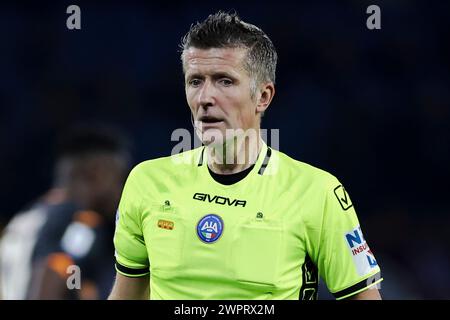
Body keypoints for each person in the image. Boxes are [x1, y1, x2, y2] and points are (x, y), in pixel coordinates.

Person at [109, 11, 383, 300]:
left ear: (263, 97)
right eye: (195, 81)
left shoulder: (317, 192)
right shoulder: (146, 181)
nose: (205, 98)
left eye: (224, 81)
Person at [0, 125, 131, 299]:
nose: (121, 190)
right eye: (119, 177)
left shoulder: (28, 216)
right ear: (96, 173)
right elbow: (56, 269)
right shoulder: (80, 220)